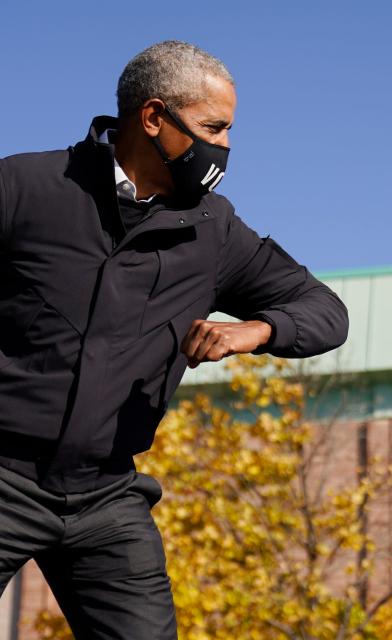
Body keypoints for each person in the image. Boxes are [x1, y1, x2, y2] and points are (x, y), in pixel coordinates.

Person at [0, 41, 348, 638]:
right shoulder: (24, 187)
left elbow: (324, 310)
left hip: (106, 496)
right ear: (154, 117)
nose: (225, 147)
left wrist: (258, 330)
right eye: (214, 127)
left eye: (230, 130)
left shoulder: (214, 230)